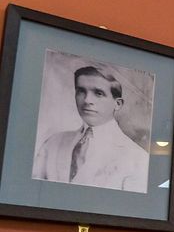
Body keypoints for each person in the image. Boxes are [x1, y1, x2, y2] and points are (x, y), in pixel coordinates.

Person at [32, 65, 149, 193]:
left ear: (117, 104)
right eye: (81, 91)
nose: (87, 100)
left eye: (98, 93)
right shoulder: (53, 143)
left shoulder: (138, 158)